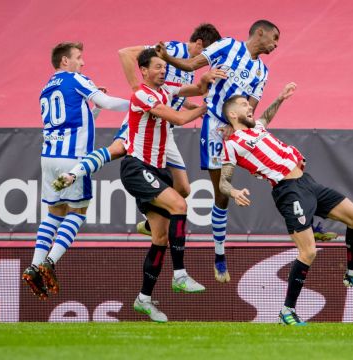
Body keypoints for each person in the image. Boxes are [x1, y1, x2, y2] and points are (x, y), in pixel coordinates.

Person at [51, 25, 223, 289]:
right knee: (120, 149)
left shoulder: (169, 83)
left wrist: (205, 86)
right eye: (158, 67)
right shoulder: (171, 52)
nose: (163, 69)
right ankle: (74, 172)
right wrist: (138, 88)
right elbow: (125, 53)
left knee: (182, 193)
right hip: (145, 131)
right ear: (199, 44)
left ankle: (145, 292)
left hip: (163, 135)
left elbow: (186, 93)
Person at [218, 83, 353, 326]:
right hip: (287, 191)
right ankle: (287, 312)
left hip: (308, 183)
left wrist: (281, 98)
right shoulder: (232, 143)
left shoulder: (258, 128)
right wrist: (234, 191)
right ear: (233, 115)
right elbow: (223, 182)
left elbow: (265, 116)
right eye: (243, 105)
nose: (249, 107)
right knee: (309, 252)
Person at [155, 20, 279, 282]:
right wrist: (165, 57)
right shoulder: (227, 46)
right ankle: (220, 256)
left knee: (278, 167)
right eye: (274, 38)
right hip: (213, 126)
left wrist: (236, 126)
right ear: (260, 32)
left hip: (238, 129)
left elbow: (252, 108)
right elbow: (191, 64)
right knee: (221, 192)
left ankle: (311, 218)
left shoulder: (262, 71)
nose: (276, 44)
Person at [119, 48, 226, 322]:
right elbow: (179, 118)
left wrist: (207, 79)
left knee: (160, 239)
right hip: (137, 167)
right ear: (143, 71)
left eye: (163, 66)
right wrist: (210, 108)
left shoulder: (165, 90)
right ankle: (179, 275)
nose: (162, 70)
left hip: (156, 170)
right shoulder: (143, 94)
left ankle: (143, 299)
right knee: (180, 203)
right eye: (157, 66)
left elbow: (193, 89)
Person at [22, 42, 131, 300]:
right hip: (72, 159)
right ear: (65, 62)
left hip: (48, 157)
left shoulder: (45, 89)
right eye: (78, 58)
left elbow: (76, 120)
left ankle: (34, 265)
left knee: (54, 213)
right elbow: (105, 99)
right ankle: (50, 261)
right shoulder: (75, 78)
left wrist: (94, 108)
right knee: (78, 212)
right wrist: (139, 104)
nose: (82, 63)